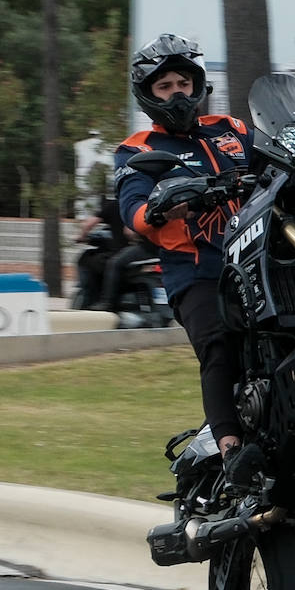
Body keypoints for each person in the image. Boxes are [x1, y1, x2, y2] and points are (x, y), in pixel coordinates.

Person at [113, 34, 254, 459]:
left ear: (198, 85)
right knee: (219, 345)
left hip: (257, 260)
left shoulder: (232, 130)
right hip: (197, 272)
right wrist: (158, 210)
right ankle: (231, 449)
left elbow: (277, 162)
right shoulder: (139, 148)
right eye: (165, 86)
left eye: (183, 83)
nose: (177, 93)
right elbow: (132, 206)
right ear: (148, 94)